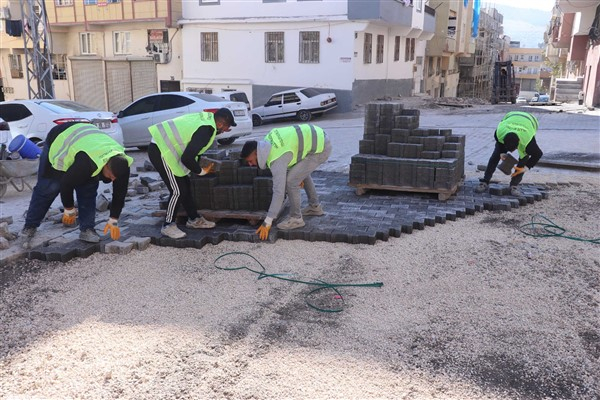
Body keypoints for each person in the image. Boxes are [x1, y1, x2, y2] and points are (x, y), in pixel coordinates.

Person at [21, 122, 132, 245]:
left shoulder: (122, 165)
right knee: (49, 187)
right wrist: (69, 209)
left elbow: (120, 193)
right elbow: (66, 184)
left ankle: (87, 229)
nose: (112, 179)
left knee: (88, 190)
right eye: (111, 176)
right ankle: (30, 225)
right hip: (59, 139)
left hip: (87, 144)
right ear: (105, 165)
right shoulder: (87, 162)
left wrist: (114, 219)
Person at [148, 108, 236, 239]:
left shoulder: (207, 119)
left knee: (185, 186)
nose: (225, 131)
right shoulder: (206, 130)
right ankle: (167, 225)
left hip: (168, 148)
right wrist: (200, 171)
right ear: (220, 124)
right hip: (160, 150)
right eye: (226, 127)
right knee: (177, 190)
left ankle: (193, 219)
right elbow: (187, 158)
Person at [240, 124, 332, 241]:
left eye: (250, 161)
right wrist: (298, 175)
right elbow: (289, 151)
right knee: (299, 174)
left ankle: (296, 219)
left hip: (321, 148)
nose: (250, 164)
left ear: (257, 153)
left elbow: (279, 191)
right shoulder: (267, 141)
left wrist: (268, 221)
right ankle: (315, 207)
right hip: (319, 136)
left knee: (291, 181)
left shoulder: (276, 159)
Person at [475, 111, 543, 196]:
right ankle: (485, 181)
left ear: (518, 144)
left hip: (529, 121)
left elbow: (538, 154)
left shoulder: (528, 142)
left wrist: (525, 168)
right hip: (511, 116)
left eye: (513, 149)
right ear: (504, 140)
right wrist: (502, 153)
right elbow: (500, 144)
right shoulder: (499, 133)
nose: (512, 152)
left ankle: (514, 185)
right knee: (495, 156)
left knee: (523, 160)